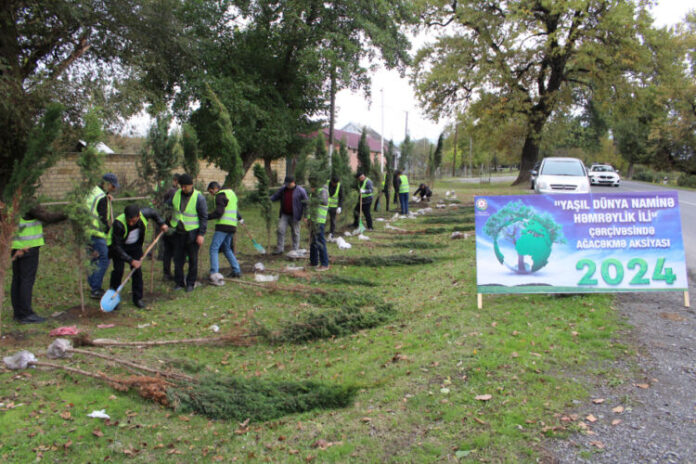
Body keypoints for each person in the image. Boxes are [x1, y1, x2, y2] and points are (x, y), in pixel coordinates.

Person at [11, 205, 67, 323]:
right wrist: (68, 212)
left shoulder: (10, 197)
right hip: (28, 246)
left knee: (17, 280)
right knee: (26, 280)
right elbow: (47, 217)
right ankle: (26, 314)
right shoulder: (28, 200)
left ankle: (18, 313)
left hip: (15, 245)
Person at [107, 204, 168, 309]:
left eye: (133, 221)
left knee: (137, 272)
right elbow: (116, 247)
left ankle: (137, 298)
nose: (131, 223)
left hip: (135, 247)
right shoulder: (119, 224)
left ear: (139, 216)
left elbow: (153, 213)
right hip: (118, 248)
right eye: (128, 220)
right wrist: (131, 260)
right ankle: (113, 298)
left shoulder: (144, 214)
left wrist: (161, 223)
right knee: (118, 271)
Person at [168, 174, 207, 292]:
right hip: (178, 233)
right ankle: (179, 282)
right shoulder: (176, 194)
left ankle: (190, 283)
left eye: (185, 186)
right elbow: (168, 204)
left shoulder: (199, 198)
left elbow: (203, 217)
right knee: (178, 260)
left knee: (193, 260)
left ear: (191, 185)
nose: (183, 189)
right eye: (181, 186)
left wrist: (201, 234)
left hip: (192, 234)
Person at [85, 173, 118, 299]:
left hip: (86, 231)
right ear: (107, 184)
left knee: (93, 259)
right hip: (96, 233)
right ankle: (96, 288)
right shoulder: (102, 198)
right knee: (104, 258)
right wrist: (110, 230)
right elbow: (103, 219)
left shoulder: (93, 191)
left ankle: (92, 284)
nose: (114, 189)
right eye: (113, 187)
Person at [207, 181, 243, 284]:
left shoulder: (220, 195)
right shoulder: (231, 193)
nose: (211, 194)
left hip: (223, 226)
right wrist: (240, 218)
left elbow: (219, 212)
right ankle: (236, 270)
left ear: (215, 188)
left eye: (211, 191)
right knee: (226, 248)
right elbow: (234, 210)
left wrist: (207, 216)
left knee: (213, 248)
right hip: (232, 226)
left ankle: (214, 273)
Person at [270, 175, 308, 255]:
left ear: (293, 182)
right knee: (280, 230)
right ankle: (280, 249)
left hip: (295, 215)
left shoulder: (301, 191)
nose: (286, 185)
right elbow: (275, 196)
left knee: (295, 232)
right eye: (286, 183)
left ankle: (295, 249)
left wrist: (306, 216)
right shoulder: (283, 190)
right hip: (284, 214)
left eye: (288, 184)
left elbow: (306, 204)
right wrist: (268, 199)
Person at [308, 177, 330, 271]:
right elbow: (310, 206)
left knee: (320, 242)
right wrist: (308, 218)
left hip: (319, 220)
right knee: (313, 241)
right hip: (313, 220)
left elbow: (324, 201)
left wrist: (315, 195)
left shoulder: (322, 190)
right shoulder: (314, 191)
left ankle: (325, 264)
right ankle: (314, 261)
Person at [161, 173, 180, 280]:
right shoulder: (174, 192)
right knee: (175, 251)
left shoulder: (167, 190)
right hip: (173, 225)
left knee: (167, 251)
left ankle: (166, 273)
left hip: (166, 224)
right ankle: (174, 274)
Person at [326, 175, 343, 239]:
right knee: (322, 219)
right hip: (325, 205)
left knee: (333, 220)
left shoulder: (339, 186)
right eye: (333, 183)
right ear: (331, 181)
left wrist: (340, 206)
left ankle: (331, 233)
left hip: (334, 206)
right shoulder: (326, 183)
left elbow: (341, 197)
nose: (334, 184)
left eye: (335, 183)